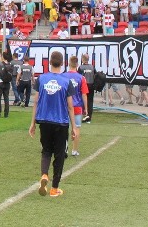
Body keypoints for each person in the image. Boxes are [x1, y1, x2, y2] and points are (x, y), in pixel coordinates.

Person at [29, 50, 78, 198]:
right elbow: (70, 106)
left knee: (46, 151)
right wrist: (74, 127)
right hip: (61, 122)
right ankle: (54, 188)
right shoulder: (66, 82)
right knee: (59, 154)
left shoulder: (42, 79)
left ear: (49, 62)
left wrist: (32, 123)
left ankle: (44, 175)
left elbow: (36, 102)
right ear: (62, 63)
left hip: (44, 120)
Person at [65, 56, 88, 156]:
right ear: (77, 65)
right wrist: (86, 108)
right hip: (77, 106)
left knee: (64, 127)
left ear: (69, 64)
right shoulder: (81, 78)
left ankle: (64, 148)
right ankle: (74, 150)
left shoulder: (63, 76)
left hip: (65, 106)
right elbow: (84, 94)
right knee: (77, 128)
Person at [0, 53, 12, 118]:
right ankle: (6, 114)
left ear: (3, 57)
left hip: (0, 82)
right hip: (7, 83)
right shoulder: (10, 64)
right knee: (6, 98)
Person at [78, 53, 95, 123]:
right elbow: (95, 74)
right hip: (91, 85)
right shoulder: (92, 67)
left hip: (84, 85)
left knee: (83, 101)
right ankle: (89, 117)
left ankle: (84, 115)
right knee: (90, 101)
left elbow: (78, 76)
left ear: (82, 59)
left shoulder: (81, 67)